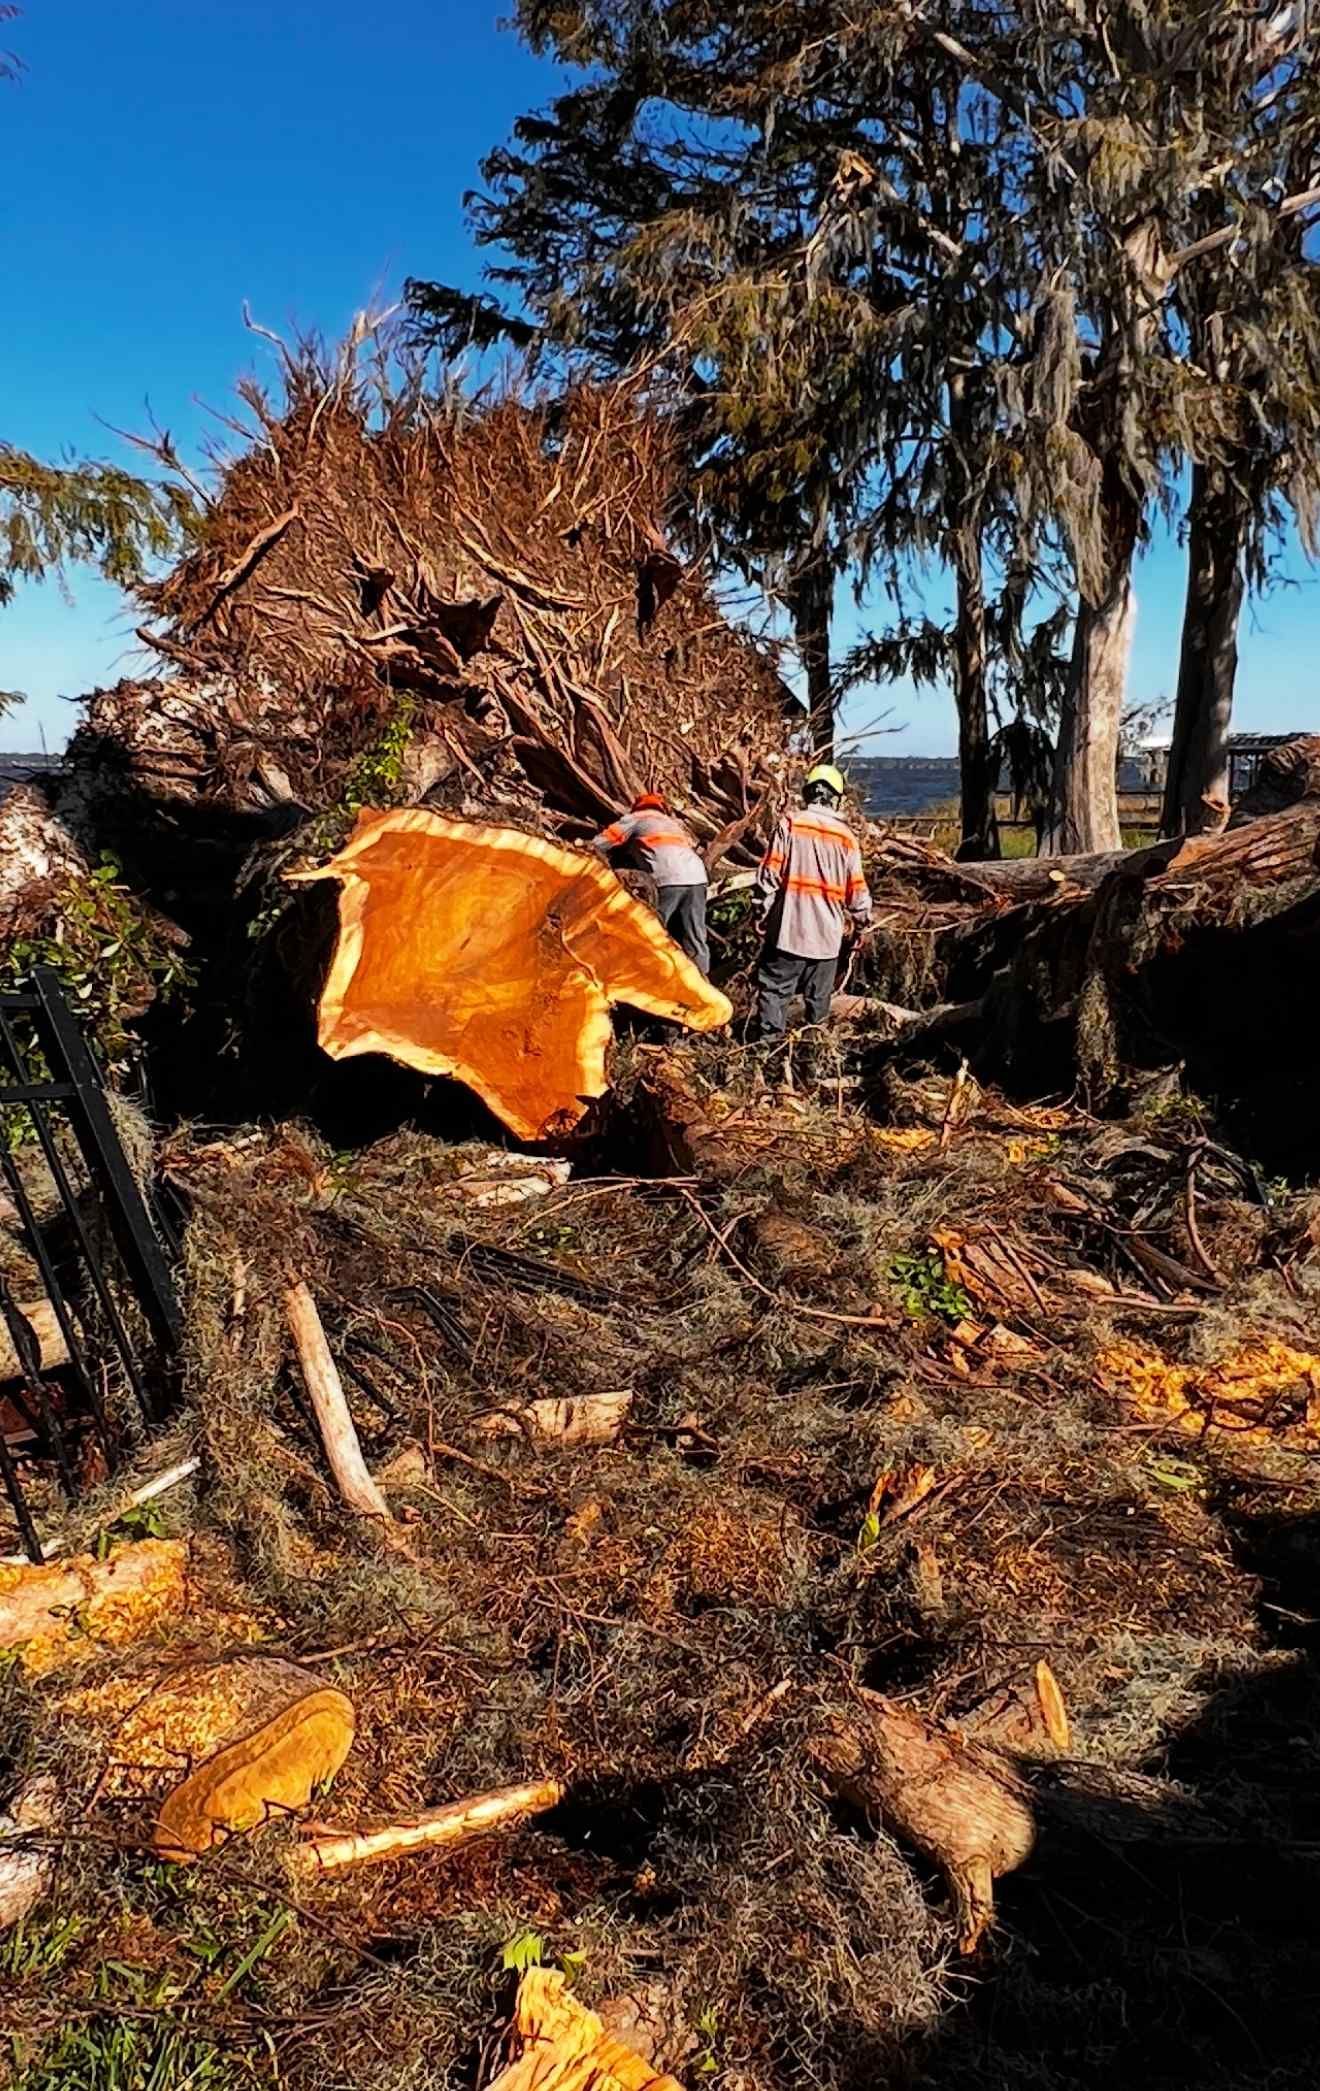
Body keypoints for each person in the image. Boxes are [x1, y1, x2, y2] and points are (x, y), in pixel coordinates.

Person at [753, 763, 872, 1040]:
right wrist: (862, 925)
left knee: (774, 993)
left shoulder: (790, 824)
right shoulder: (846, 838)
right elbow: (857, 893)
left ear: (808, 793)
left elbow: (769, 877)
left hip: (787, 932)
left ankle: (767, 1057)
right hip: (826, 940)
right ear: (837, 798)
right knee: (817, 1009)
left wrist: (760, 914)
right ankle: (812, 1063)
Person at [590, 791, 710, 974]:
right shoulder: (673, 824)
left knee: (652, 931)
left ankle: (648, 978)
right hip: (697, 878)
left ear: (637, 806)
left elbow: (603, 842)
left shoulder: (637, 818)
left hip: (668, 879)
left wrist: (582, 847)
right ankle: (702, 984)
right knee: (694, 937)